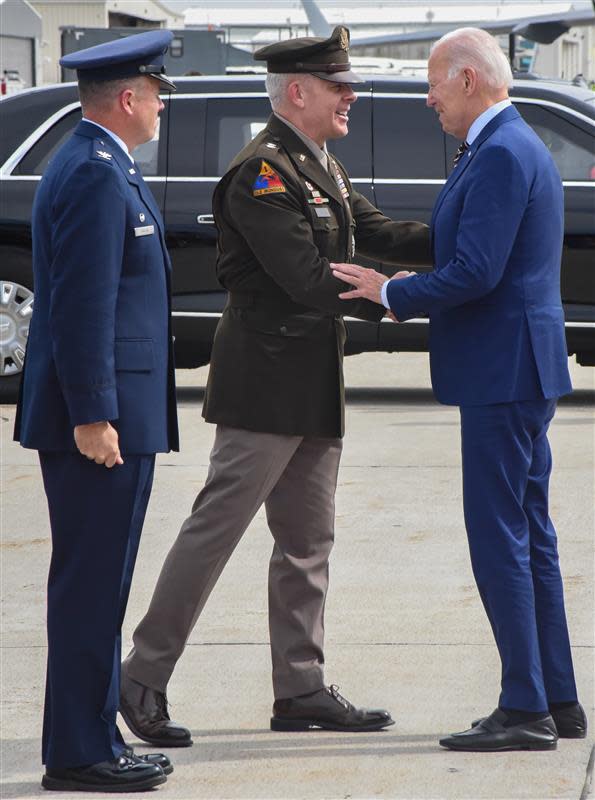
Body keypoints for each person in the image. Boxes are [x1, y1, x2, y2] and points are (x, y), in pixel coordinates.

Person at [119, 25, 431, 745]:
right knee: (212, 534)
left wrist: (470, 241)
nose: (350, 96)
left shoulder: (319, 162)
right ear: (298, 91)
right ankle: (141, 676)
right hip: (264, 385)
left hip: (312, 381)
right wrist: (406, 295)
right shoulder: (262, 173)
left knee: (306, 543)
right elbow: (309, 282)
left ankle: (300, 688)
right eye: (337, 85)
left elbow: (373, 230)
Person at [331, 27, 586, 753]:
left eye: (435, 84)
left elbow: (474, 271)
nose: (428, 98)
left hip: (502, 371)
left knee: (499, 537)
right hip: (513, 367)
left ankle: (524, 708)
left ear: (469, 80)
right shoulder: (501, 145)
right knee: (529, 534)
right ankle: (555, 698)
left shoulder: (501, 152)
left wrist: (392, 291)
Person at [13, 30, 180, 791]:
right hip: (99, 423)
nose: (161, 104)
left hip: (118, 413)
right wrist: (92, 415)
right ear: (127, 98)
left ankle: (91, 736)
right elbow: (81, 310)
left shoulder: (107, 166)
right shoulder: (91, 174)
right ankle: (79, 755)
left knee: (102, 585)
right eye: (156, 92)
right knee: (89, 585)